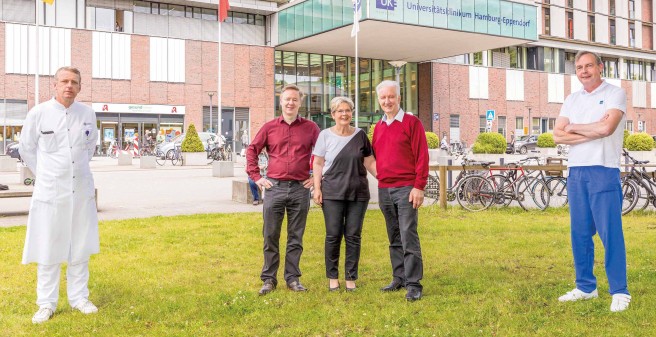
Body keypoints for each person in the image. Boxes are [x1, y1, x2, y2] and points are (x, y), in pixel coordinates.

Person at [19, 67, 100, 324]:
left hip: (80, 191)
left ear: (80, 87)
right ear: (54, 85)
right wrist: (47, 173)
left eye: (74, 82)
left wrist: (73, 171)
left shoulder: (87, 114)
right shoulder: (39, 113)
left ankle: (79, 298)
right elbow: (27, 148)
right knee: (48, 246)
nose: (69, 86)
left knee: (80, 245)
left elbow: (90, 147)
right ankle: (46, 303)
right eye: (64, 81)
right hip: (51, 191)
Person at [553, 50, 631, 312]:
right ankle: (586, 287)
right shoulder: (571, 99)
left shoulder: (614, 94)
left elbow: (606, 129)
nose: (583, 71)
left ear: (600, 67)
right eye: (578, 67)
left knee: (610, 233)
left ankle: (620, 291)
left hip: (603, 169)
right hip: (577, 171)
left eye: (588, 66)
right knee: (580, 233)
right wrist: (589, 129)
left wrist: (573, 127)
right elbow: (557, 135)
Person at [246, 84, 320, 295]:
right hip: (274, 188)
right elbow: (252, 150)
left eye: (294, 99)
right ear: (281, 101)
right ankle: (269, 279)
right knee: (270, 235)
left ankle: (292, 278)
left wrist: (316, 178)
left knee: (295, 237)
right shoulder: (269, 127)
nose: (290, 103)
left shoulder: (311, 128)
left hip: (299, 188)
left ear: (300, 102)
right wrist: (257, 177)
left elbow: (324, 153)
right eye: (287, 99)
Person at [312, 97, 377, 292]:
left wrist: (387, 179)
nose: (344, 114)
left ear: (352, 113)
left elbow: (370, 162)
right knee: (333, 235)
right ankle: (333, 277)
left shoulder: (360, 135)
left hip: (358, 193)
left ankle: (350, 277)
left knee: (353, 236)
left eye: (348, 110)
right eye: (340, 111)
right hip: (332, 193)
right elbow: (317, 163)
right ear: (333, 114)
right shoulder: (325, 135)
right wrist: (317, 188)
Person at [371, 80, 429, 301]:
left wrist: (419, 186)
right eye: (383, 97)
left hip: (407, 188)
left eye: (391, 97)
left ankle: (414, 283)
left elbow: (422, 155)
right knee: (394, 235)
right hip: (385, 188)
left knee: (408, 235)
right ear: (379, 100)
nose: (387, 101)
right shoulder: (379, 126)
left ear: (399, 98)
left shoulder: (412, 123)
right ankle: (399, 277)